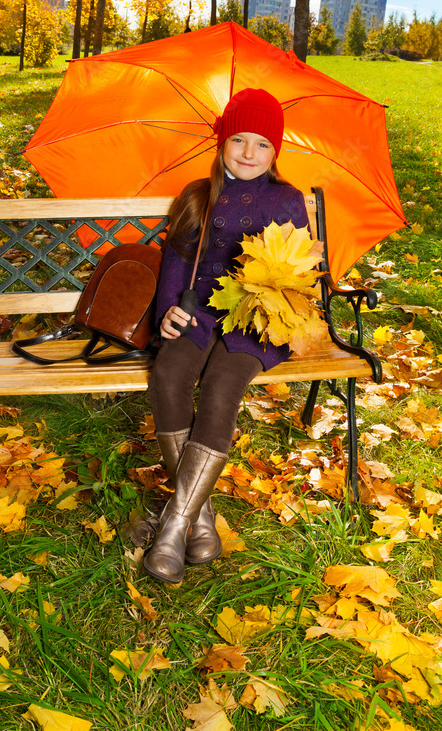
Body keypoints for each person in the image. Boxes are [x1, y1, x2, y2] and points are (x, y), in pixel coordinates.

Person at [143, 88, 310, 584]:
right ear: (221, 141)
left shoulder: (286, 199)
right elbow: (176, 260)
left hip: (258, 320)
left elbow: (299, 267)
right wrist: (170, 311)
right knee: (169, 377)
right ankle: (202, 516)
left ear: (275, 152)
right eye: (238, 139)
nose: (248, 153)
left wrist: (272, 288)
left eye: (261, 144)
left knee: (220, 390)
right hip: (198, 313)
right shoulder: (198, 194)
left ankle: (175, 524)